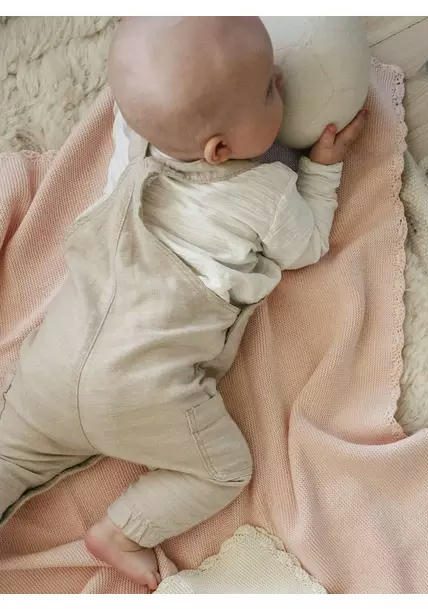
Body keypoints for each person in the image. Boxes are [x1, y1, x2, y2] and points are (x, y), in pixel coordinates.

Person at [0, 16, 366, 589]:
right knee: (224, 470)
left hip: (51, 367)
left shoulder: (134, 144)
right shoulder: (266, 194)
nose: (280, 77)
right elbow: (309, 243)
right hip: (142, 390)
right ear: (220, 150)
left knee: (10, 461)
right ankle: (121, 531)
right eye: (268, 89)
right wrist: (323, 167)